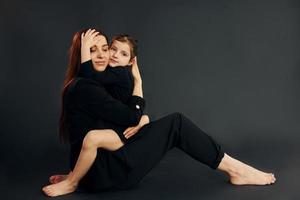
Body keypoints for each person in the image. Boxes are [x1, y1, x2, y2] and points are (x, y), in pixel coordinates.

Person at [42, 29, 276, 197]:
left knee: (160, 123)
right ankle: (237, 170)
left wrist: (139, 113)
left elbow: (99, 123)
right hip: (110, 173)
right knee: (177, 124)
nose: (104, 55)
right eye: (92, 51)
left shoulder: (86, 84)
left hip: (98, 170)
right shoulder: (86, 85)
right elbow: (129, 118)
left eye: (106, 48)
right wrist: (138, 90)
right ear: (81, 56)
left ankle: (75, 178)